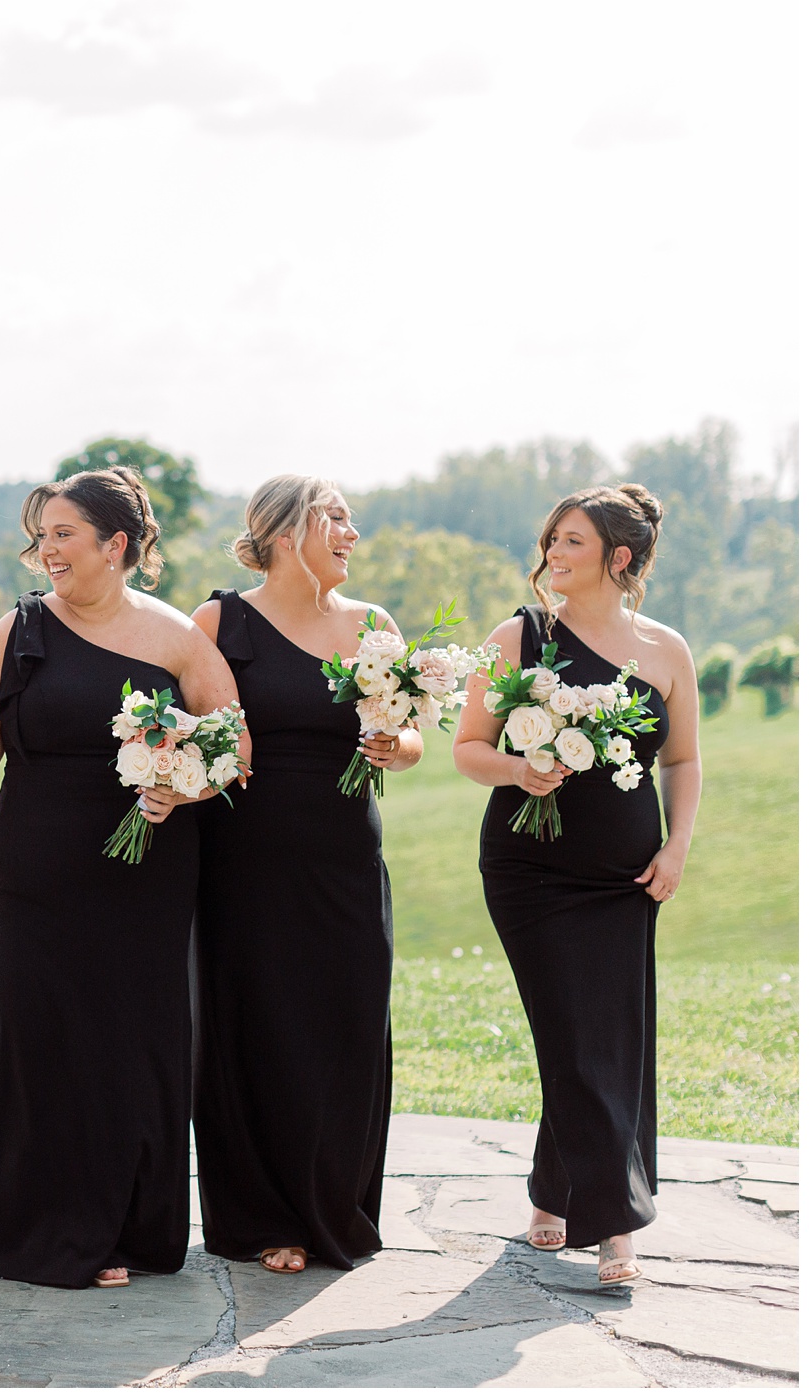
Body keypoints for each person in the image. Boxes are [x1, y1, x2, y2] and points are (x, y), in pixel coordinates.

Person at [0, 468, 243, 1289]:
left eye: (63, 534)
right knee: (35, 1037)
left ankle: (119, 1227)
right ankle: (26, 1227)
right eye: (42, 535)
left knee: (124, 1045)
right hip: (31, 873)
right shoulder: (18, 630)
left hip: (141, 877)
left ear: (116, 546)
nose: (47, 551)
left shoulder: (178, 637)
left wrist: (182, 784)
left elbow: (235, 747)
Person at [454, 483, 699, 1286]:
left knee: (607, 1037)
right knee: (572, 1033)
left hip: (624, 876)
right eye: (551, 540)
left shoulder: (666, 650)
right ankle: (615, 1224)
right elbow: (468, 749)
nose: (552, 555)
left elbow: (683, 760)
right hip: (531, 870)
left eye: (572, 543)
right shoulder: (517, 637)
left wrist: (677, 847)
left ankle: (554, 1192)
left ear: (619, 558)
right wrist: (523, 770)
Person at [190, 477, 412, 1276]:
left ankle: (335, 1207)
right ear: (287, 533)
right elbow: (184, 729)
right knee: (254, 1028)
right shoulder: (219, 622)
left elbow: (410, 734)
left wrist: (396, 746)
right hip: (243, 861)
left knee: (346, 1025)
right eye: (338, 518)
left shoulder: (372, 625)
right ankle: (264, 1218)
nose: (353, 532)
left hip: (345, 858)